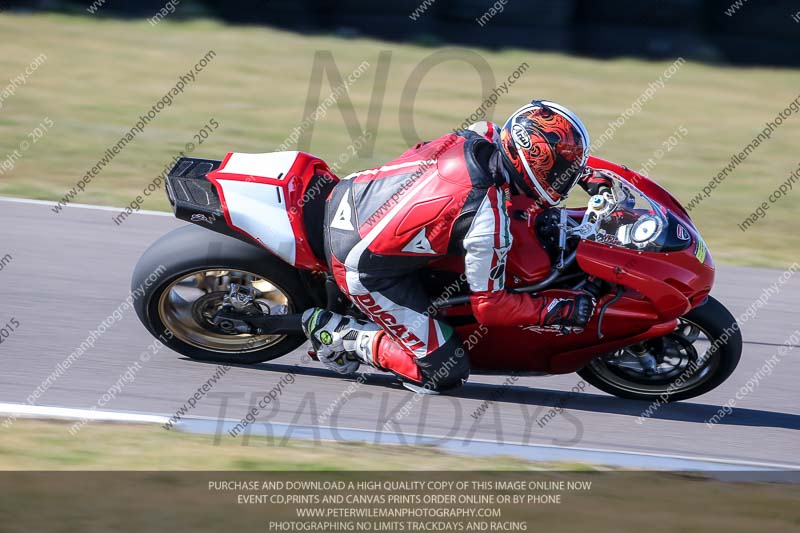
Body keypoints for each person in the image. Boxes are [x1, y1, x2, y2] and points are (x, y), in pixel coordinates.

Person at [302, 100, 605, 393]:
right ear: (533, 165)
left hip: (353, 194)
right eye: (561, 169)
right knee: (444, 370)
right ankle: (341, 335)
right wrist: (555, 309)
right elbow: (490, 307)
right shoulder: (486, 219)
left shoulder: (482, 136)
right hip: (361, 265)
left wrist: (584, 173)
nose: (564, 176)